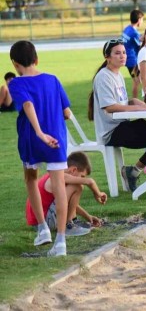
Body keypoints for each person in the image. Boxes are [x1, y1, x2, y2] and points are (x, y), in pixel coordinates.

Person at [9, 40, 71, 256]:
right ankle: (61, 241)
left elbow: (27, 105)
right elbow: (67, 112)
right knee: (59, 186)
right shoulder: (53, 80)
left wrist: (38, 132)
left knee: (31, 179)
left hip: (31, 140)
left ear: (15, 64)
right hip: (56, 138)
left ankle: (43, 228)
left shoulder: (15, 84)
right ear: (37, 59)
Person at [89, 39, 146, 192]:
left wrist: (142, 104)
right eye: (117, 53)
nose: (122, 56)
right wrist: (142, 108)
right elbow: (110, 107)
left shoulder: (117, 74)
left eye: (124, 53)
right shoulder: (103, 77)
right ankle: (139, 171)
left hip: (122, 125)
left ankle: (134, 171)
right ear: (108, 57)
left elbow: (125, 100)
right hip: (111, 132)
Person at [26, 152, 107, 237]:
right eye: (82, 176)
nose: (82, 179)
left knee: (76, 187)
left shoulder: (56, 176)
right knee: (78, 187)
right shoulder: (60, 176)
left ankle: (73, 221)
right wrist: (98, 193)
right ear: (73, 170)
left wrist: (88, 216)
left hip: (40, 224)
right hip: (43, 223)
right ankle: (68, 225)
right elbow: (90, 181)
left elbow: (65, 203)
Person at [122, 9, 144, 99]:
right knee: (138, 81)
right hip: (132, 60)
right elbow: (140, 47)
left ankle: (135, 101)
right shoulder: (135, 33)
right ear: (139, 20)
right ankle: (135, 101)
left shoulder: (127, 29)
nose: (142, 21)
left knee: (137, 81)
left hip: (128, 59)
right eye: (142, 19)